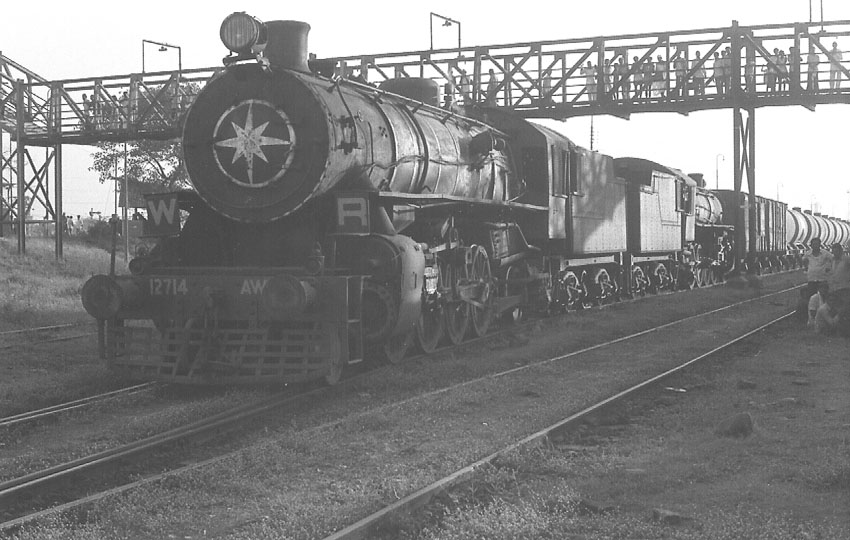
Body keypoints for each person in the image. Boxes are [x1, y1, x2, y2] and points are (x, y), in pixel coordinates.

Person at [800, 237, 834, 320]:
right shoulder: (808, 254)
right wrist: (806, 268)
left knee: (824, 298)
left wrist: (829, 268)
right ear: (811, 245)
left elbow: (833, 259)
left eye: (817, 244)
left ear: (819, 245)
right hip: (812, 280)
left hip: (822, 280)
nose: (815, 246)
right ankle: (811, 318)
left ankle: (824, 317)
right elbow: (803, 261)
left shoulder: (825, 254)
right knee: (811, 298)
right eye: (814, 244)